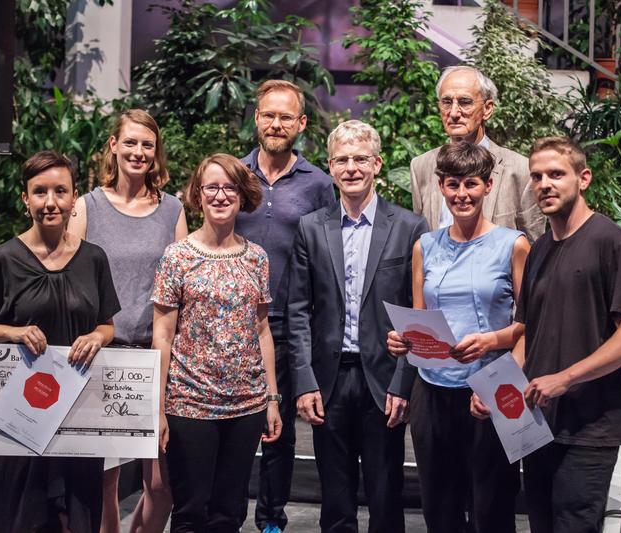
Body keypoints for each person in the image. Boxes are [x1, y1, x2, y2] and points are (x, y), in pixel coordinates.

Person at [474, 136, 621, 533]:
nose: (544, 184)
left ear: (583, 178)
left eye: (556, 174)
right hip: (539, 425)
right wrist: (495, 392)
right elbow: (528, 335)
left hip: (590, 429)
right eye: (537, 177)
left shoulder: (611, 242)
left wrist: (565, 379)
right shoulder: (539, 249)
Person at [0, 150, 121, 533]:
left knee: (77, 520)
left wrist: (96, 337)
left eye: (60, 191)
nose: (50, 202)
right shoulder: (4, 258)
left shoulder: (93, 259)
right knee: (21, 519)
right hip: (18, 418)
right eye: (40, 192)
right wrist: (12, 331)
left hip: (76, 415)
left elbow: (107, 325)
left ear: (73, 197)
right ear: (25, 198)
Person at [287, 120, 429, 533]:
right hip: (328, 380)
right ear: (330, 167)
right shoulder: (311, 228)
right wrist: (304, 381)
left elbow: (416, 312)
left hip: (383, 378)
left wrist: (404, 383)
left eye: (361, 159)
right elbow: (297, 310)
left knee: (386, 494)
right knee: (335, 496)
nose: (352, 168)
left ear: (378, 164)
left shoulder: (409, 227)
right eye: (342, 160)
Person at [387, 142, 530, 533]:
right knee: (440, 507)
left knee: (493, 506)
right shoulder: (425, 246)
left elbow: (531, 323)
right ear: (440, 186)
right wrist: (403, 341)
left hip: (496, 385)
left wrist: (492, 340)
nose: (461, 194)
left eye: (470, 184)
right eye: (452, 185)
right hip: (433, 389)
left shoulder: (513, 244)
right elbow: (420, 322)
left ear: (488, 185)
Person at [68, 108, 187, 533]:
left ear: (156, 154)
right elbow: (71, 281)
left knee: (161, 485)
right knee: (104, 482)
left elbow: (182, 286)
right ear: (114, 146)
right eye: (131, 142)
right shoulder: (87, 207)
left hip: (155, 359)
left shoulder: (172, 209)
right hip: (101, 357)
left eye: (147, 145)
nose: (139, 152)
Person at [152, 153, 283, 533]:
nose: (221, 196)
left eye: (230, 188)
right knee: (192, 512)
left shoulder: (256, 258)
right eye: (212, 187)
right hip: (189, 403)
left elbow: (262, 331)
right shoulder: (177, 257)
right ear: (198, 194)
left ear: (242, 196)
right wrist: (158, 408)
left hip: (246, 405)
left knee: (229, 513)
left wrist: (271, 399)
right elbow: (161, 335)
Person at [235, 79, 335, 533]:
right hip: (232, 325)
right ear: (257, 118)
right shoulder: (233, 175)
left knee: (281, 430)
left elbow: (330, 252)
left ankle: (271, 519)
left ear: (301, 123)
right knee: (233, 426)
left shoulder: (319, 183)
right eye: (268, 115)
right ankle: (227, 514)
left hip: (292, 324)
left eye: (285, 116)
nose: (276, 123)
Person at [410, 65, 545, 241]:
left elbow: (533, 246)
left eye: (465, 102)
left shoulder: (520, 170)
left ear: (487, 109)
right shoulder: (421, 166)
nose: (454, 113)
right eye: (447, 102)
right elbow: (421, 239)